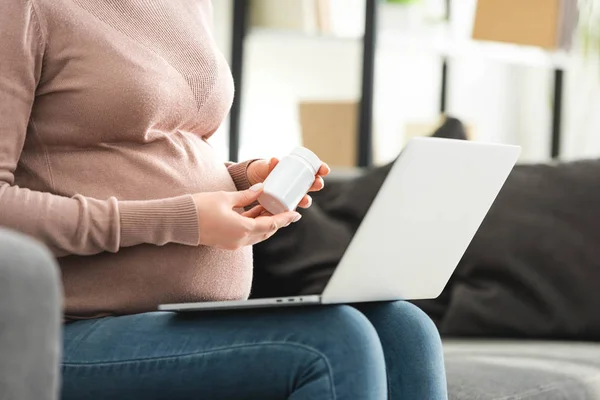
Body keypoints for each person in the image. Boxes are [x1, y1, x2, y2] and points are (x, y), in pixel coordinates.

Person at [0, 0, 448, 398]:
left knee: (404, 329)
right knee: (334, 341)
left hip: (179, 318)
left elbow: (164, 144)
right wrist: (180, 219)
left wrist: (240, 179)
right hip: (63, 332)